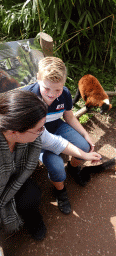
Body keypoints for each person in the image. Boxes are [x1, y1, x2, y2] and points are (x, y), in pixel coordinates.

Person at [21, 57, 102, 215]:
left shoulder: (64, 93)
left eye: (57, 90)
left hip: (56, 126)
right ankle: (60, 191)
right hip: (38, 137)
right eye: (47, 89)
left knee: (84, 146)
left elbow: (69, 117)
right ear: (38, 77)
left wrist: (85, 134)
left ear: (64, 83)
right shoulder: (27, 98)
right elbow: (44, 139)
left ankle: (72, 168)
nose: (52, 95)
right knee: (57, 167)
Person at [0, 89, 48, 241]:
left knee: (31, 194)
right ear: (14, 132)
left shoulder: (24, 133)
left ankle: (33, 219)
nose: (42, 132)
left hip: (14, 179)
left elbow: (52, 141)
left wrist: (84, 154)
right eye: (39, 129)